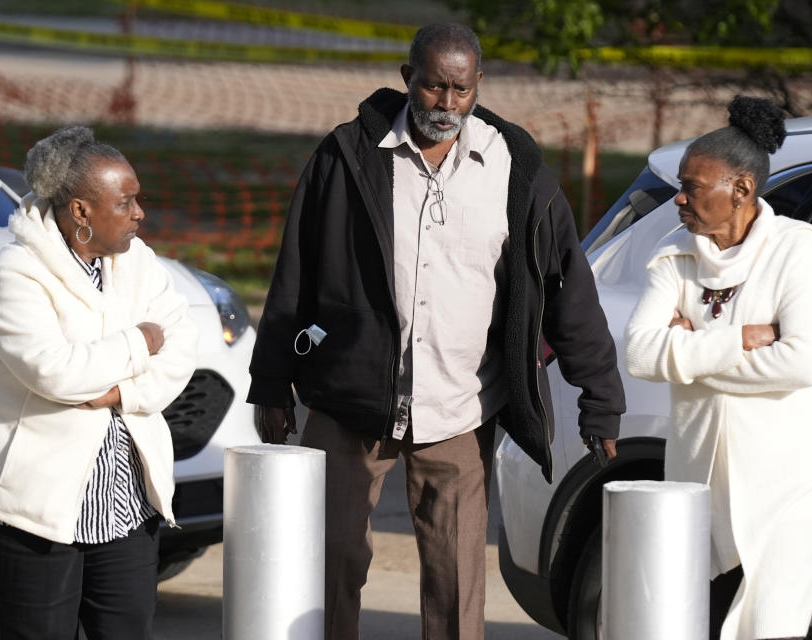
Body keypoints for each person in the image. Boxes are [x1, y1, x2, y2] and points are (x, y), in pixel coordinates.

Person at [247, 22, 625, 640]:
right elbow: (295, 273)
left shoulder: (516, 169)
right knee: (325, 562)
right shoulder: (345, 157)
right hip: (348, 403)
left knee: (454, 584)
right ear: (407, 79)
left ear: (478, 86)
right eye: (431, 88)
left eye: (459, 90)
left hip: (460, 406)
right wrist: (271, 384)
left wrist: (600, 400)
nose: (445, 105)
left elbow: (568, 295)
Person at [0, 126, 198, 639]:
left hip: (126, 505)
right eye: (126, 202)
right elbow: (57, 371)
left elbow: (182, 347)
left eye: (139, 200)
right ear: (82, 212)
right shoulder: (15, 273)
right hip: (36, 510)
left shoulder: (138, 261)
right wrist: (140, 343)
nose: (140, 214)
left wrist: (119, 393)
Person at [625, 96, 812, 640]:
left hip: (788, 478)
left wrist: (692, 349)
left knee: (768, 621)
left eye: (693, 187)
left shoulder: (796, 251)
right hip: (697, 479)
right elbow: (638, 353)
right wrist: (741, 341)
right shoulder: (675, 253)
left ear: (740, 190)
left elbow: (807, 359)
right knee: (689, 617)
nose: (678, 198)